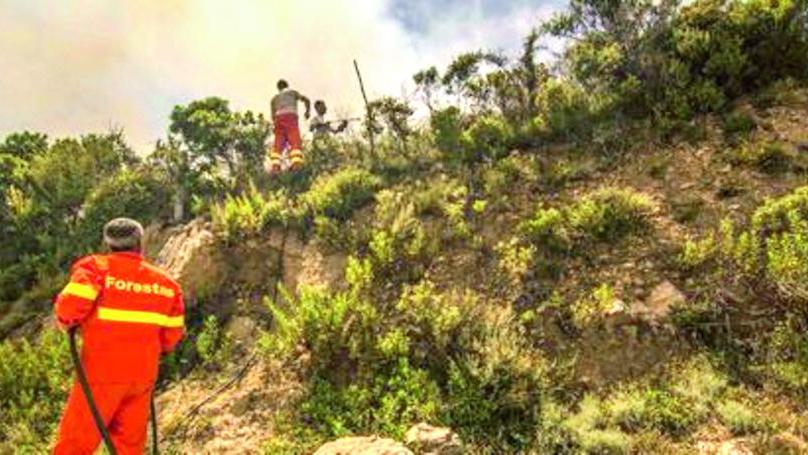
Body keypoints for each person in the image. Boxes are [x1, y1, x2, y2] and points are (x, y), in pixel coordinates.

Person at [53, 218, 184, 455]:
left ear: (108, 243)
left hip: (100, 375)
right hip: (141, 377)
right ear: (140, 242)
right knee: (129, 448)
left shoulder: (95, 268)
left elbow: (69, 308)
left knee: (74, 445)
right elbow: (171, 337)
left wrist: (66, 323)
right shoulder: (167, 285)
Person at [268, 79, 311, 173]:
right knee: (294, 140)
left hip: (279, 119)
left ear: (278, 88)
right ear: (287, 85)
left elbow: (273, 116)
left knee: (278, 144)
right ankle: (296, 164)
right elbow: (306, 100)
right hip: (291, 117)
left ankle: (275, 167)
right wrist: (307, 112)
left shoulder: (274, 98)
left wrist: (275, 126)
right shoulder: (292, 92)